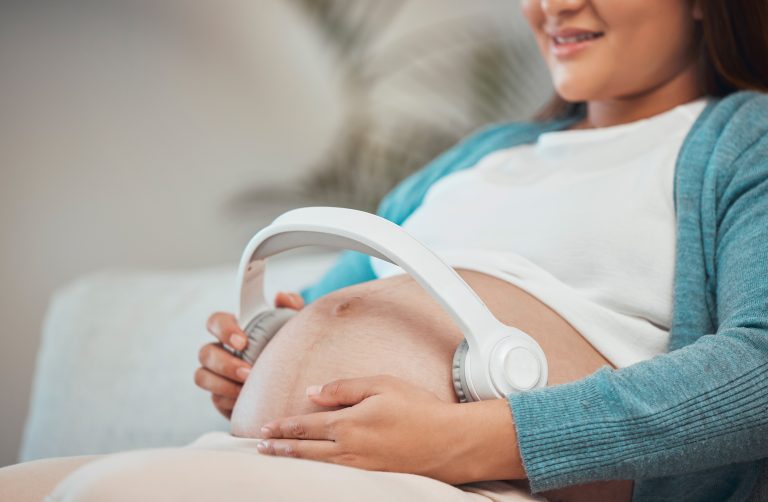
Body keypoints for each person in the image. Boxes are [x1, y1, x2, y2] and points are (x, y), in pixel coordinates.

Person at [1, 1, 766, 501]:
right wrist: (254, 365)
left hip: (474, 482)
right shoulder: (484, 155)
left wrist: (472, 441)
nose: (553, 5)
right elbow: (333, 307)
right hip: (294, 467)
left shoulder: (744, 140)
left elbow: (758, 369)